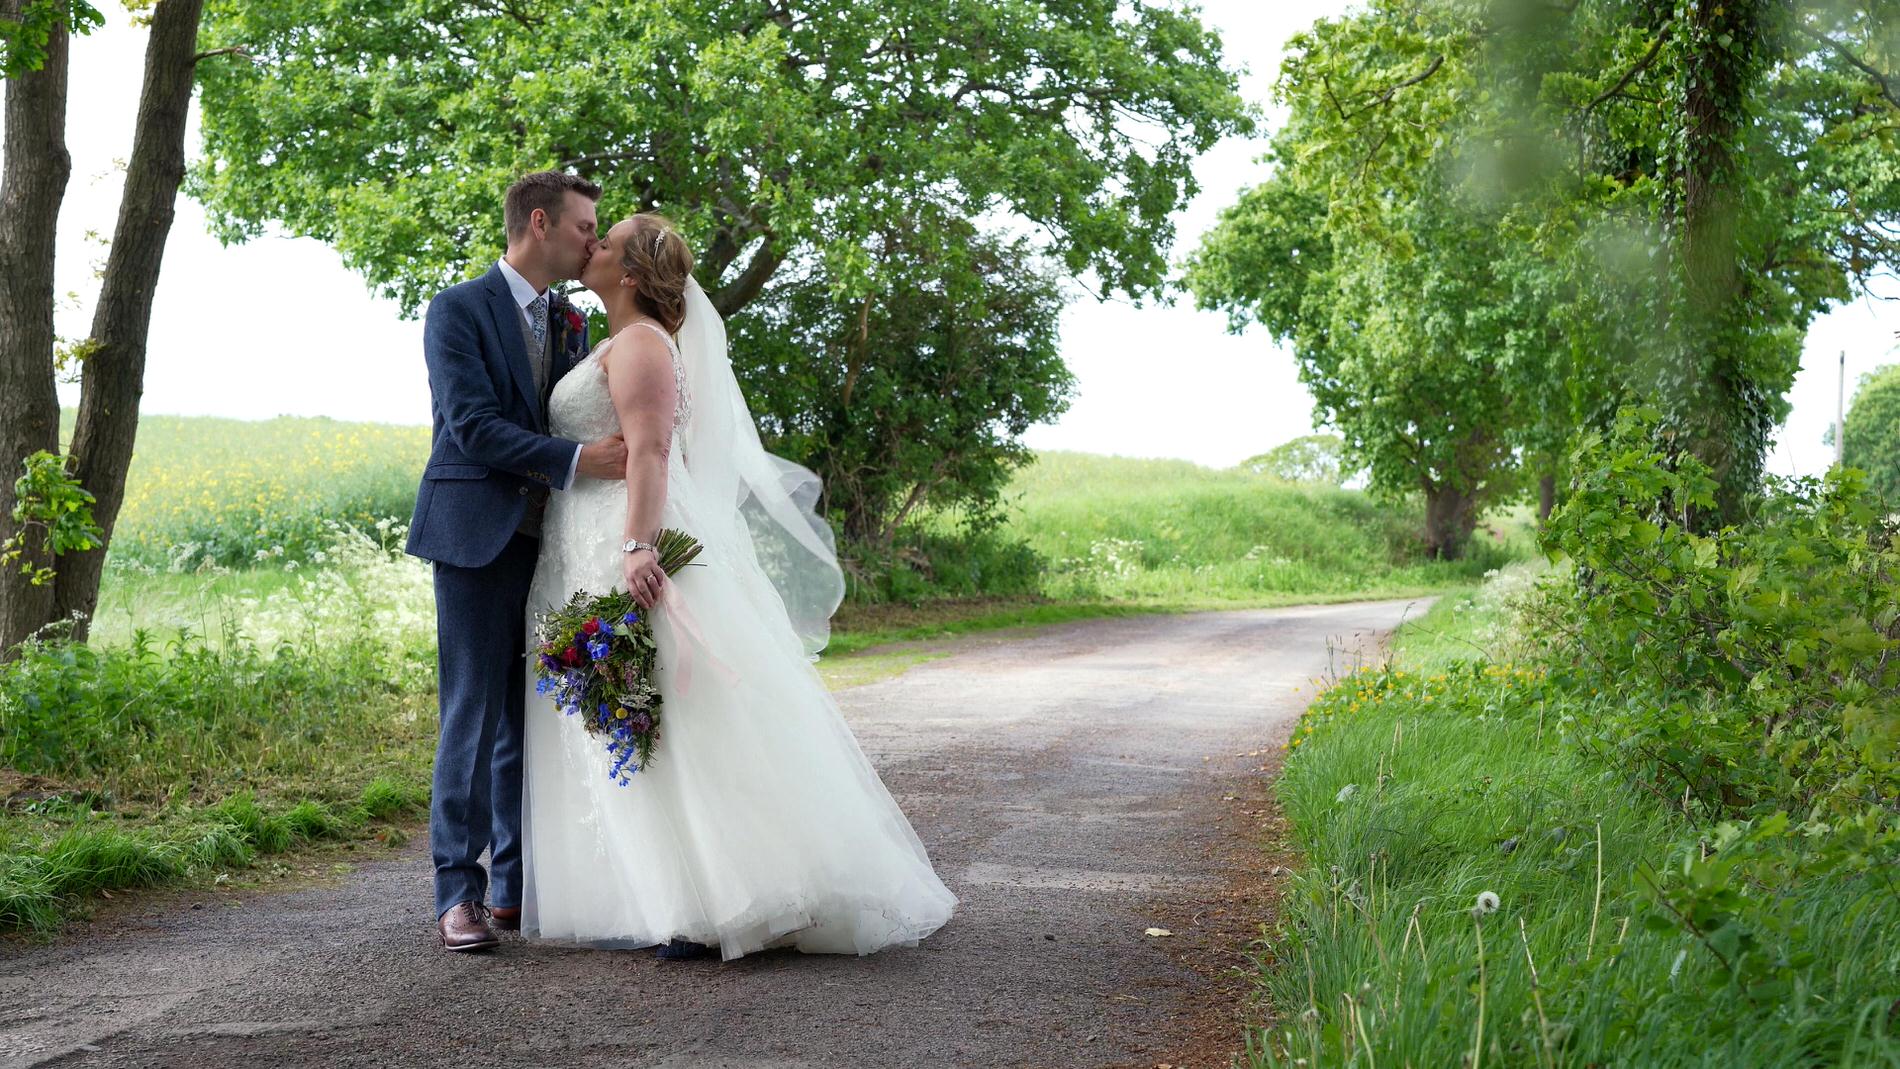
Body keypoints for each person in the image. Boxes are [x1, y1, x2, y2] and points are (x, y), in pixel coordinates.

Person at [520, 212, 957, 961]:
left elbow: (652, 452)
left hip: (628, 537)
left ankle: (716, 901)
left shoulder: (640, 344)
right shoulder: (616, 340)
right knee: (631, 709)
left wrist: (638, 547)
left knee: (669, 711)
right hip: (584, 537)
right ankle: (665, 896)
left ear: (630, 274)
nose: (593, 245)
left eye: (608, 242)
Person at [406, 171, 627, 952]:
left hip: (554, 542)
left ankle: (512, 886)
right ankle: (456, 894)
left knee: (528, 719)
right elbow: (470, 426)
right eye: (584, 226)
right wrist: (580, 461)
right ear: (540, 223)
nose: (593, 240)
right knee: (471, 712)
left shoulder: (570, 321)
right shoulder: (457, 309)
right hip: (474, 534)